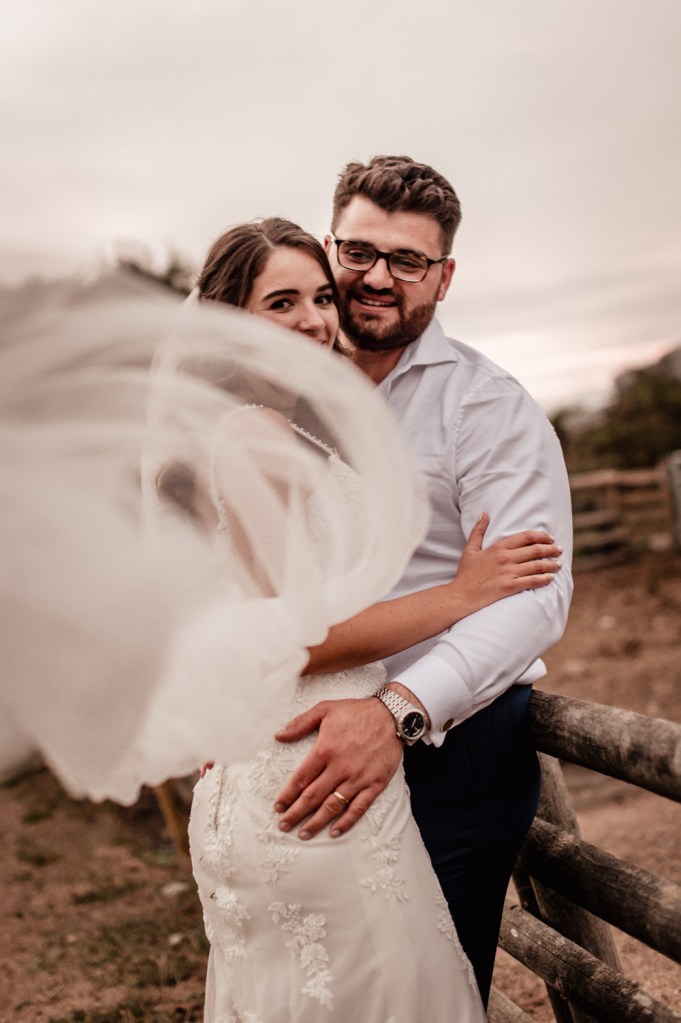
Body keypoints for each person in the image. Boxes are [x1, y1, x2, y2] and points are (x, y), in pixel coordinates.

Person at [186, 218, 563, 1021]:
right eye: (280, 301)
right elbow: (287, 636)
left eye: (319, 296)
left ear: (443, 272)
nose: (315, 319)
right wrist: (461, 594)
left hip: (276, 758)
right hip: (315, 769)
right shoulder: (256, 433)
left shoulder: (274, 422)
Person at [272, 158, 574, 1005]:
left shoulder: (486, 408)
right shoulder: (278, 392)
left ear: (443, 276)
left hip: (450, 746)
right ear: (330, 246)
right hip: (289, 732)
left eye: (406, 261)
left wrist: (397, 710)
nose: (375, 277)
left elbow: (533, 595)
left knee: (417, 995)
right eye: (359, 251)